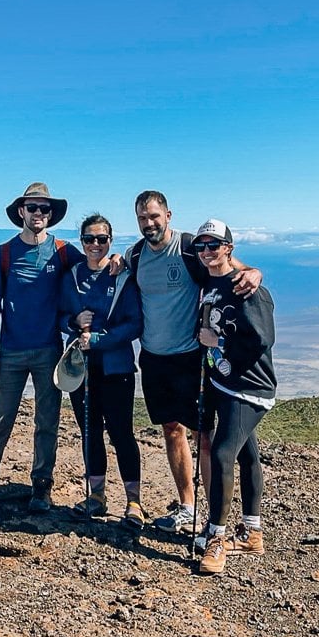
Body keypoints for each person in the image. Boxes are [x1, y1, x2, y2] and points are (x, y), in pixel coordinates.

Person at [127, 191, 260, 532]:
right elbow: (114, 270)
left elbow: (224, 270)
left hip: (189, 357)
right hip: (153, 359)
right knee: (171, 429)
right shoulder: (136, 255)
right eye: (143, 218)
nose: (149, 223)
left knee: (204, 434)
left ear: (168, 215)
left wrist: (253, 272)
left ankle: (216, 517)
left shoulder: (188, 249)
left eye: (154, 216)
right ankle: (187, 506)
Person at [0, 183, 85, 513]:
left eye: (44, 209)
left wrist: (117, 261)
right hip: (11, 353)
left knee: (47, 421)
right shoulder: (4, 254)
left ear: (50, 214)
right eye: (33, 208)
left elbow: (91, 270)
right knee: (1, 418)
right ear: (21, 212)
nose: (38, 214)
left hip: (49, 351)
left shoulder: (63, 251)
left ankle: (42, 485)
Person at [188, 219, 277, 575]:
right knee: (247, 454)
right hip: (223, 384)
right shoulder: (210, 281)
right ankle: (253, 534)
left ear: (229, 248)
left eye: (214, 245)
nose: (207, 252)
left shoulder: (246, 288)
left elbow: (261, 340)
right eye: (201, 246)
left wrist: (218, 343)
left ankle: (216, 539)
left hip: (249, 387)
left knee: (224, 453)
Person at [58, 213, 145, 527]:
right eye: (89, 239)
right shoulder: (71, 275)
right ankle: (96, 497)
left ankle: (134, 503)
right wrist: (73, 322)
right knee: (90, 432)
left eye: (102, 239)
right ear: (81, 242)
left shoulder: (121, 275)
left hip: (116, 367)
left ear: (111, 241)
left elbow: (135, 323)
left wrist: (98, 339)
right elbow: (61, 315)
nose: (95, 245)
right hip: (81, 367)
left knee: (122, 434)